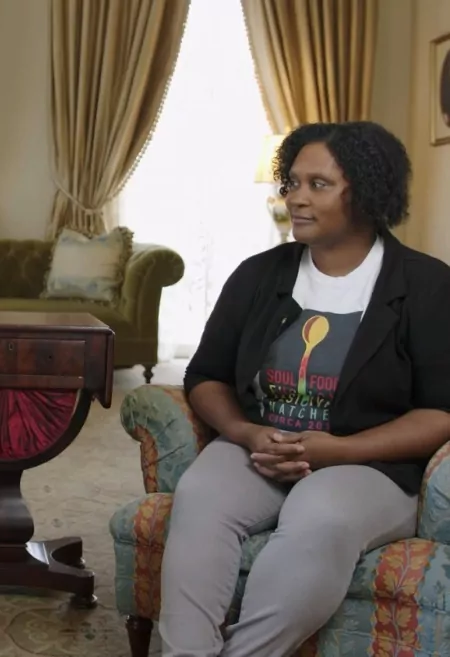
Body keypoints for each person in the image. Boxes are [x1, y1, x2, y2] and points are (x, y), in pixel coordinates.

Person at [158, 121, 450, 657]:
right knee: (201, 493)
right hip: (261, 447)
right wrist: (245, 432)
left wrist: (340, 450)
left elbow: (440, 411)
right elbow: (206, 376)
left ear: (366, 193)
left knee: (320, 512)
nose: (296, 198)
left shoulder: (427, 286)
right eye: (292, 183)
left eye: (319, 185)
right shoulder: (257, 275)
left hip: (370, 466)